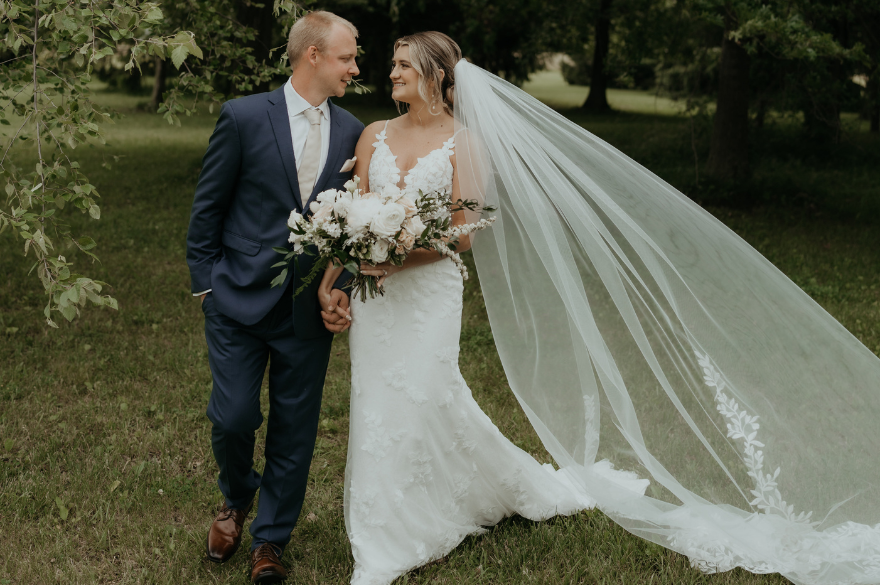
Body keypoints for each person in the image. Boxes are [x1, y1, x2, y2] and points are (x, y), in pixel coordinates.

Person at [320, 31, 880, 585]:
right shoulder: (373, 135)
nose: (392, 73)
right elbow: (357, 214)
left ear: (437, 76)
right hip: (380, 298)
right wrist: (349, 272)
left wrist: (398, 253)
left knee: (426, 391)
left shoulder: (461, 141)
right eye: (392, 65)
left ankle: (397, 535)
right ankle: (411, 512)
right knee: (379, 399)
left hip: (428, 292)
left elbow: (465, 233)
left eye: (404, 66)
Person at [186, 11, 362, 584]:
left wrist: (338, 289)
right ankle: (235, 496)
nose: (355, 68)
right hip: (235, 298)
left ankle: (270, 539)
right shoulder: (242, 117)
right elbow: (208, 207)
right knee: (235, 415)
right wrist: (208, 284)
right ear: (312, 55)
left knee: (296, 426)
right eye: (346, 57)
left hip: (306, 308)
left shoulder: (354, 131)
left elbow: (353, 226)